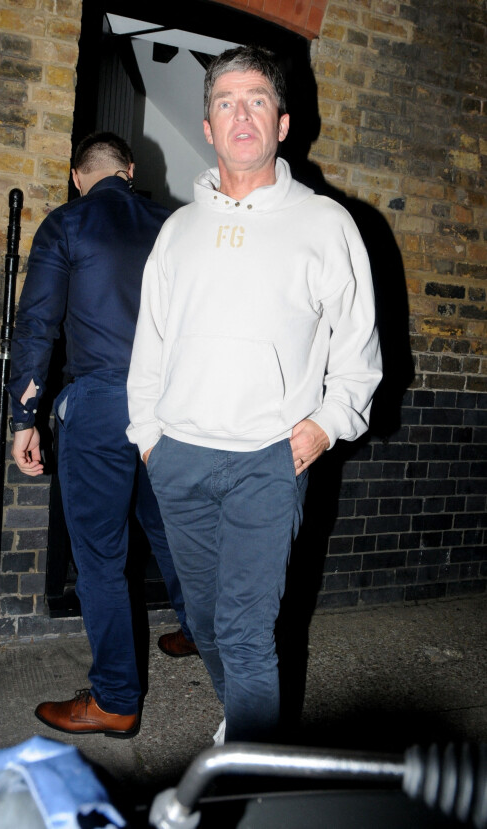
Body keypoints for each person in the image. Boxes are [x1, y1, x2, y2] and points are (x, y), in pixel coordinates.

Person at [126, 46, 383, 744]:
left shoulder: (326, 225)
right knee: (205, 621)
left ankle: (256, 769)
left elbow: (359, 348)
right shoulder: (177, 232)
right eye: (225, 102)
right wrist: (148, 436)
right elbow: (150, 344)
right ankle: (244, 719)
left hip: (267, 463)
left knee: (244, 629)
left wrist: (325, 426)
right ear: (207, 127)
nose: (241, 113)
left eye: (257, 100)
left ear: (283, 121)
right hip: (179, 457)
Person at [7, 132, 196, 740]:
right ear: (131, 170)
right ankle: (199, 631)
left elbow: (37, 323)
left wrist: (24, 417)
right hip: (169, 407)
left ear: (76, 175)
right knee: (170, 532)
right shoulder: (175, 225)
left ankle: (116, 699)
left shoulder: (68, 223)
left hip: (100, 405)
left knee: (99, 559)